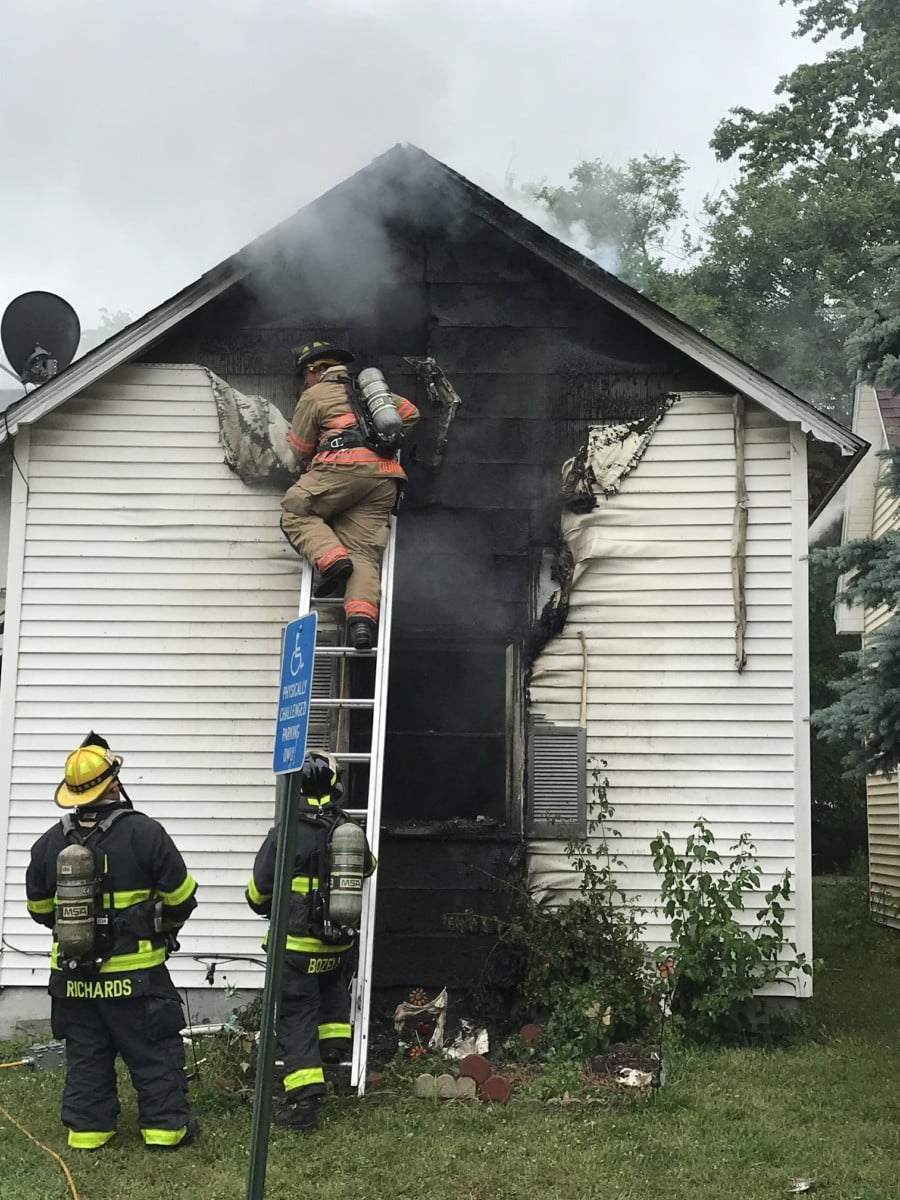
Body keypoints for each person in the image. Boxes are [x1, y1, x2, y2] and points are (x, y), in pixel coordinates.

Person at [25, 732, 199, 1152]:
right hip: (136, 979)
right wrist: (153, 925)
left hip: (72, 981)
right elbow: (182, 898)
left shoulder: (49, 843)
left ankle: (88, 1132)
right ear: (114, 784)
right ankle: (165, 1131)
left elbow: (40, 910)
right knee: (154, 1053)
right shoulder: (146, 833)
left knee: (86, 1057)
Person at [245, 750, 376, 1131]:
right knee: (331, 993)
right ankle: (333, 1048)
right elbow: (367, 867)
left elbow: (257, 894)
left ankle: (303, 1104)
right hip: (337, 947)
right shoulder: (347, 829)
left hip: (295, 950)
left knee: (296, 1017)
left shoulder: (285, 833)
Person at [280, 340, 419, 650]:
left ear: (318, 370)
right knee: (363, 552)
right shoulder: (369, 393)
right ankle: (361, 622)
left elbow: (300, 449)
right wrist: (383, 443)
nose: (304, 381)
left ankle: (332, 561)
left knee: (295, 510)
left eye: (305, 374)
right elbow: (410, 414)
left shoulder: (315, 395)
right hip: (383, 480)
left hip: (341, 469)